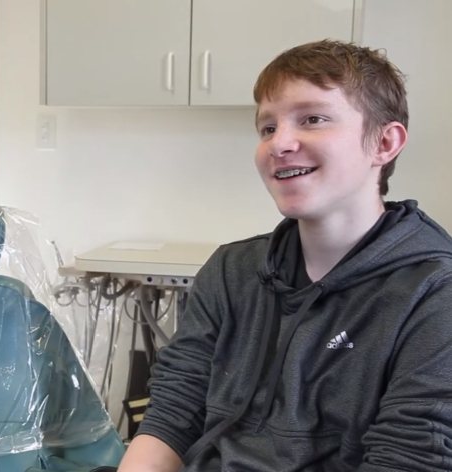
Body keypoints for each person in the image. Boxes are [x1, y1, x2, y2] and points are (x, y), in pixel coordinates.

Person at [117, 39, 452, 471]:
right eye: (267, 128)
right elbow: (173, 413)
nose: (279, 144)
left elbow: (410, 458)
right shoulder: (229, 271)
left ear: (385, 143)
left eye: (312, 119)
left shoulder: (433, 292)